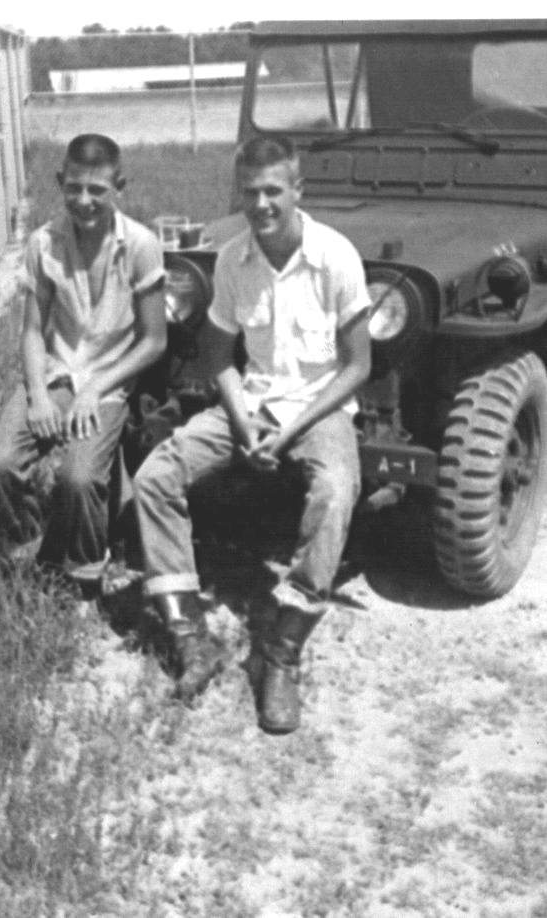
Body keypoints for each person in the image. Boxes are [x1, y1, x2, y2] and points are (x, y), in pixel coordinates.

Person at [133, 136, 371, 727]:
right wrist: (243, 425)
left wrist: (289, 434)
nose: (261, 204)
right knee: (156, 475)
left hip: (319, 410)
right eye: (250, 192)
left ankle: (281, 651)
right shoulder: (233, 260)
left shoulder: (336, 256)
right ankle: (191, 639)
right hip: (255, 405)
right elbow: (218, 357)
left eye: (273, 191)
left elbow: (357, 367)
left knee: (336, 489)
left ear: (297, 190)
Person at [0, 134, 166, 590]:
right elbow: (31, 331)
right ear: (60, 182)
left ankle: (85, 571)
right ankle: (28, 543)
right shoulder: (43, 243)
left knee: (78, 478)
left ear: (119, 187)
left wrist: (97, 389)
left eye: (97, 190)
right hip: (57, 374)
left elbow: (154, 341)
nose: (84, 201)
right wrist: (39, 397)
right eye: (74, 188)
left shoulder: (141, 244)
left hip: (109, 381)